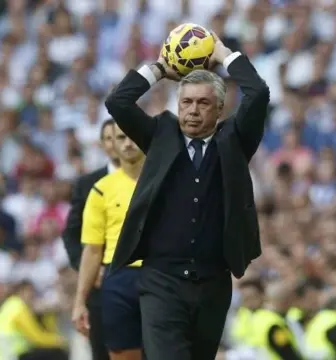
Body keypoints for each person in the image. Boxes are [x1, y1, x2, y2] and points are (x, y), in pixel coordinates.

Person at [104, 33, 270, 360]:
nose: (193, 111)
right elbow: (117, 102)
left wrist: (224, 54)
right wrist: (160, 68)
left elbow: (259, 92)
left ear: (220, 109)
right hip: (160, 281)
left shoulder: (235, 140)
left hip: (214, 282)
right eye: (186, 102)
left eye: (203, 103)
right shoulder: (160, 134)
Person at [72, 123, 146, 360]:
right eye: (121, 137)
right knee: (122, 354)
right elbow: (92, 250)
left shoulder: (167, 183)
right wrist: (79, 301)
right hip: (118, 279)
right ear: (111, 143)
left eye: (133, 136)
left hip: (160, 276)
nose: (128, 143)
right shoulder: (101, 190)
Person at [62, 118, 117, 360]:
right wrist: (88, 270)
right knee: (102, 352)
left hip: (142, 280)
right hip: (100, 282)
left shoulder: (149, 178)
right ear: (102, 145)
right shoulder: (88, 184)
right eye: (109, 138)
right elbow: (71, 233)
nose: (116, 143)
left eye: (123, 137)